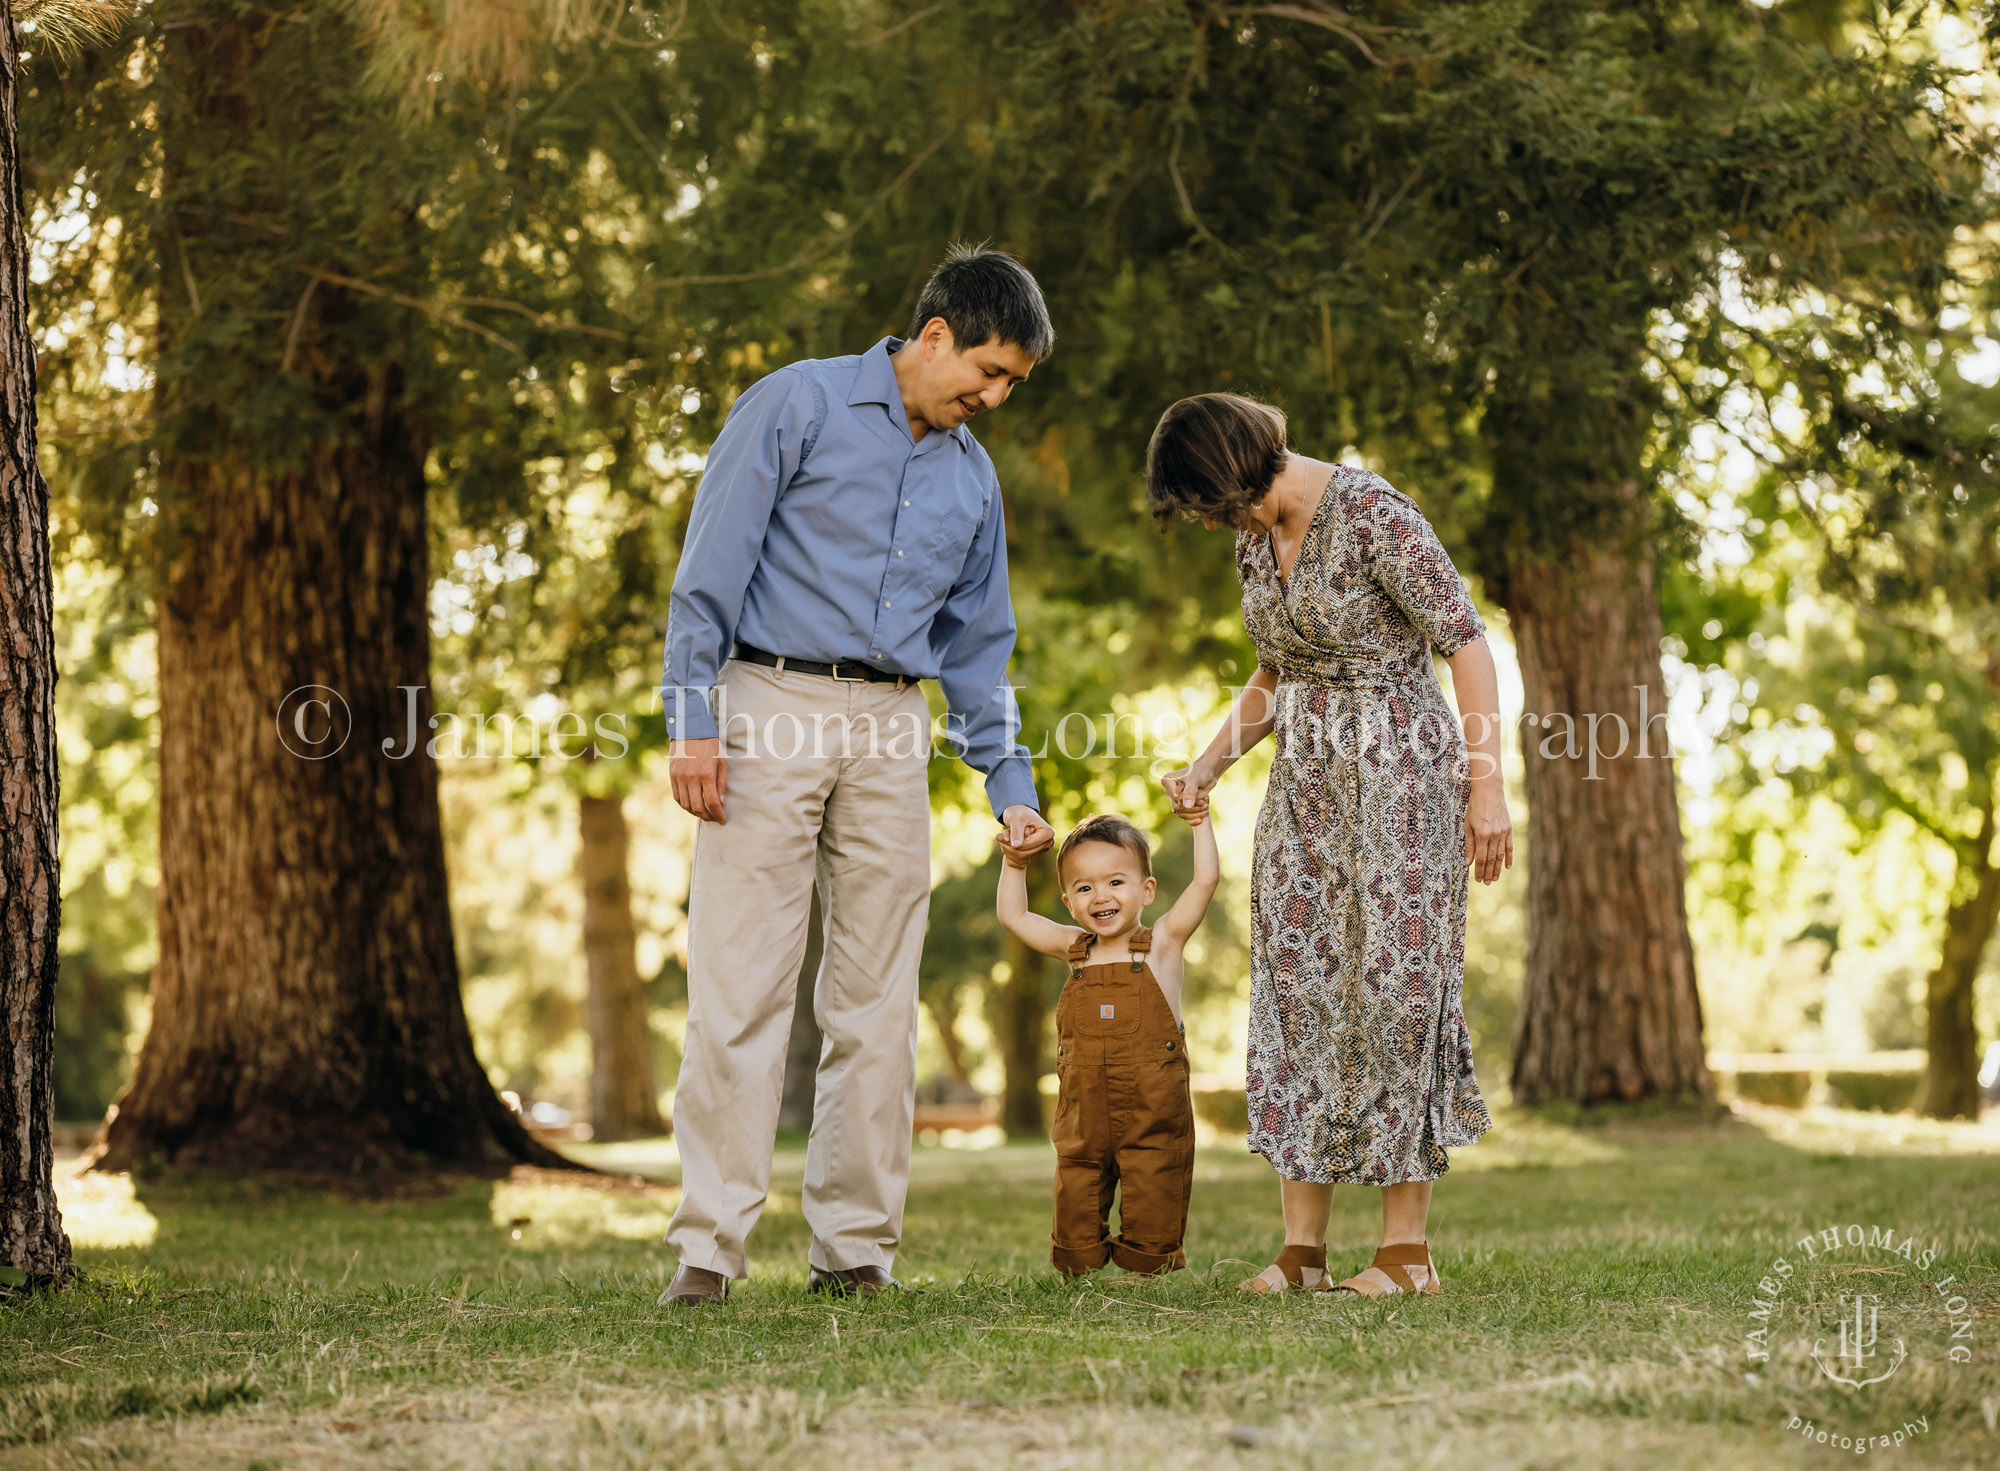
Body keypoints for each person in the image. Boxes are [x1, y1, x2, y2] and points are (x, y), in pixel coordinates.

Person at [657, 246, 1059, 1307]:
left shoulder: (972, 479)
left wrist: (1008, 783)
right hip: (766, 699)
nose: (995, 396)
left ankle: (854, 1250)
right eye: (988, 370)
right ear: (934, 336)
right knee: (740, 980)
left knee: (876, 998)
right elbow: (709, 568)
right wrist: (690, 720)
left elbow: (978, 650)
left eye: (1012, 382)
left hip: (892, 724)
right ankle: (709, 1247)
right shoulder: (796, 404)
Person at [1148, 392, 1512, 1299]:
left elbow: (1465, 642)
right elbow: (1275, 672)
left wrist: (1489, 782)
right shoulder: (1252, 533)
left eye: (1208, 503)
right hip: (1304, 789)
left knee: (1396, 986)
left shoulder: (1376, 515)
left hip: (1403, 781)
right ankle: (1301, 1247)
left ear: (1240, 472)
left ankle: (1406, 1252)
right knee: (1298, 986)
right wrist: (1207, 765)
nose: (1206, 522)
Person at [997, 810, 1218, 1278]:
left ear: (1147, 890)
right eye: (1084, 888)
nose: (1101, 896)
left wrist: (1200, 821)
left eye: (1116, 882)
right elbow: (1013, 916)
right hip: (1085, 1109)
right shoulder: (1074, 949)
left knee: (1156, 1181)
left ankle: (1149, 1264)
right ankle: (1078, 1263)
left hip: (1153, 1108)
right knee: (1076, 1180)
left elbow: (1204, 881)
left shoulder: (1163, 944)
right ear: (1069, 902)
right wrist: (1014, 865)